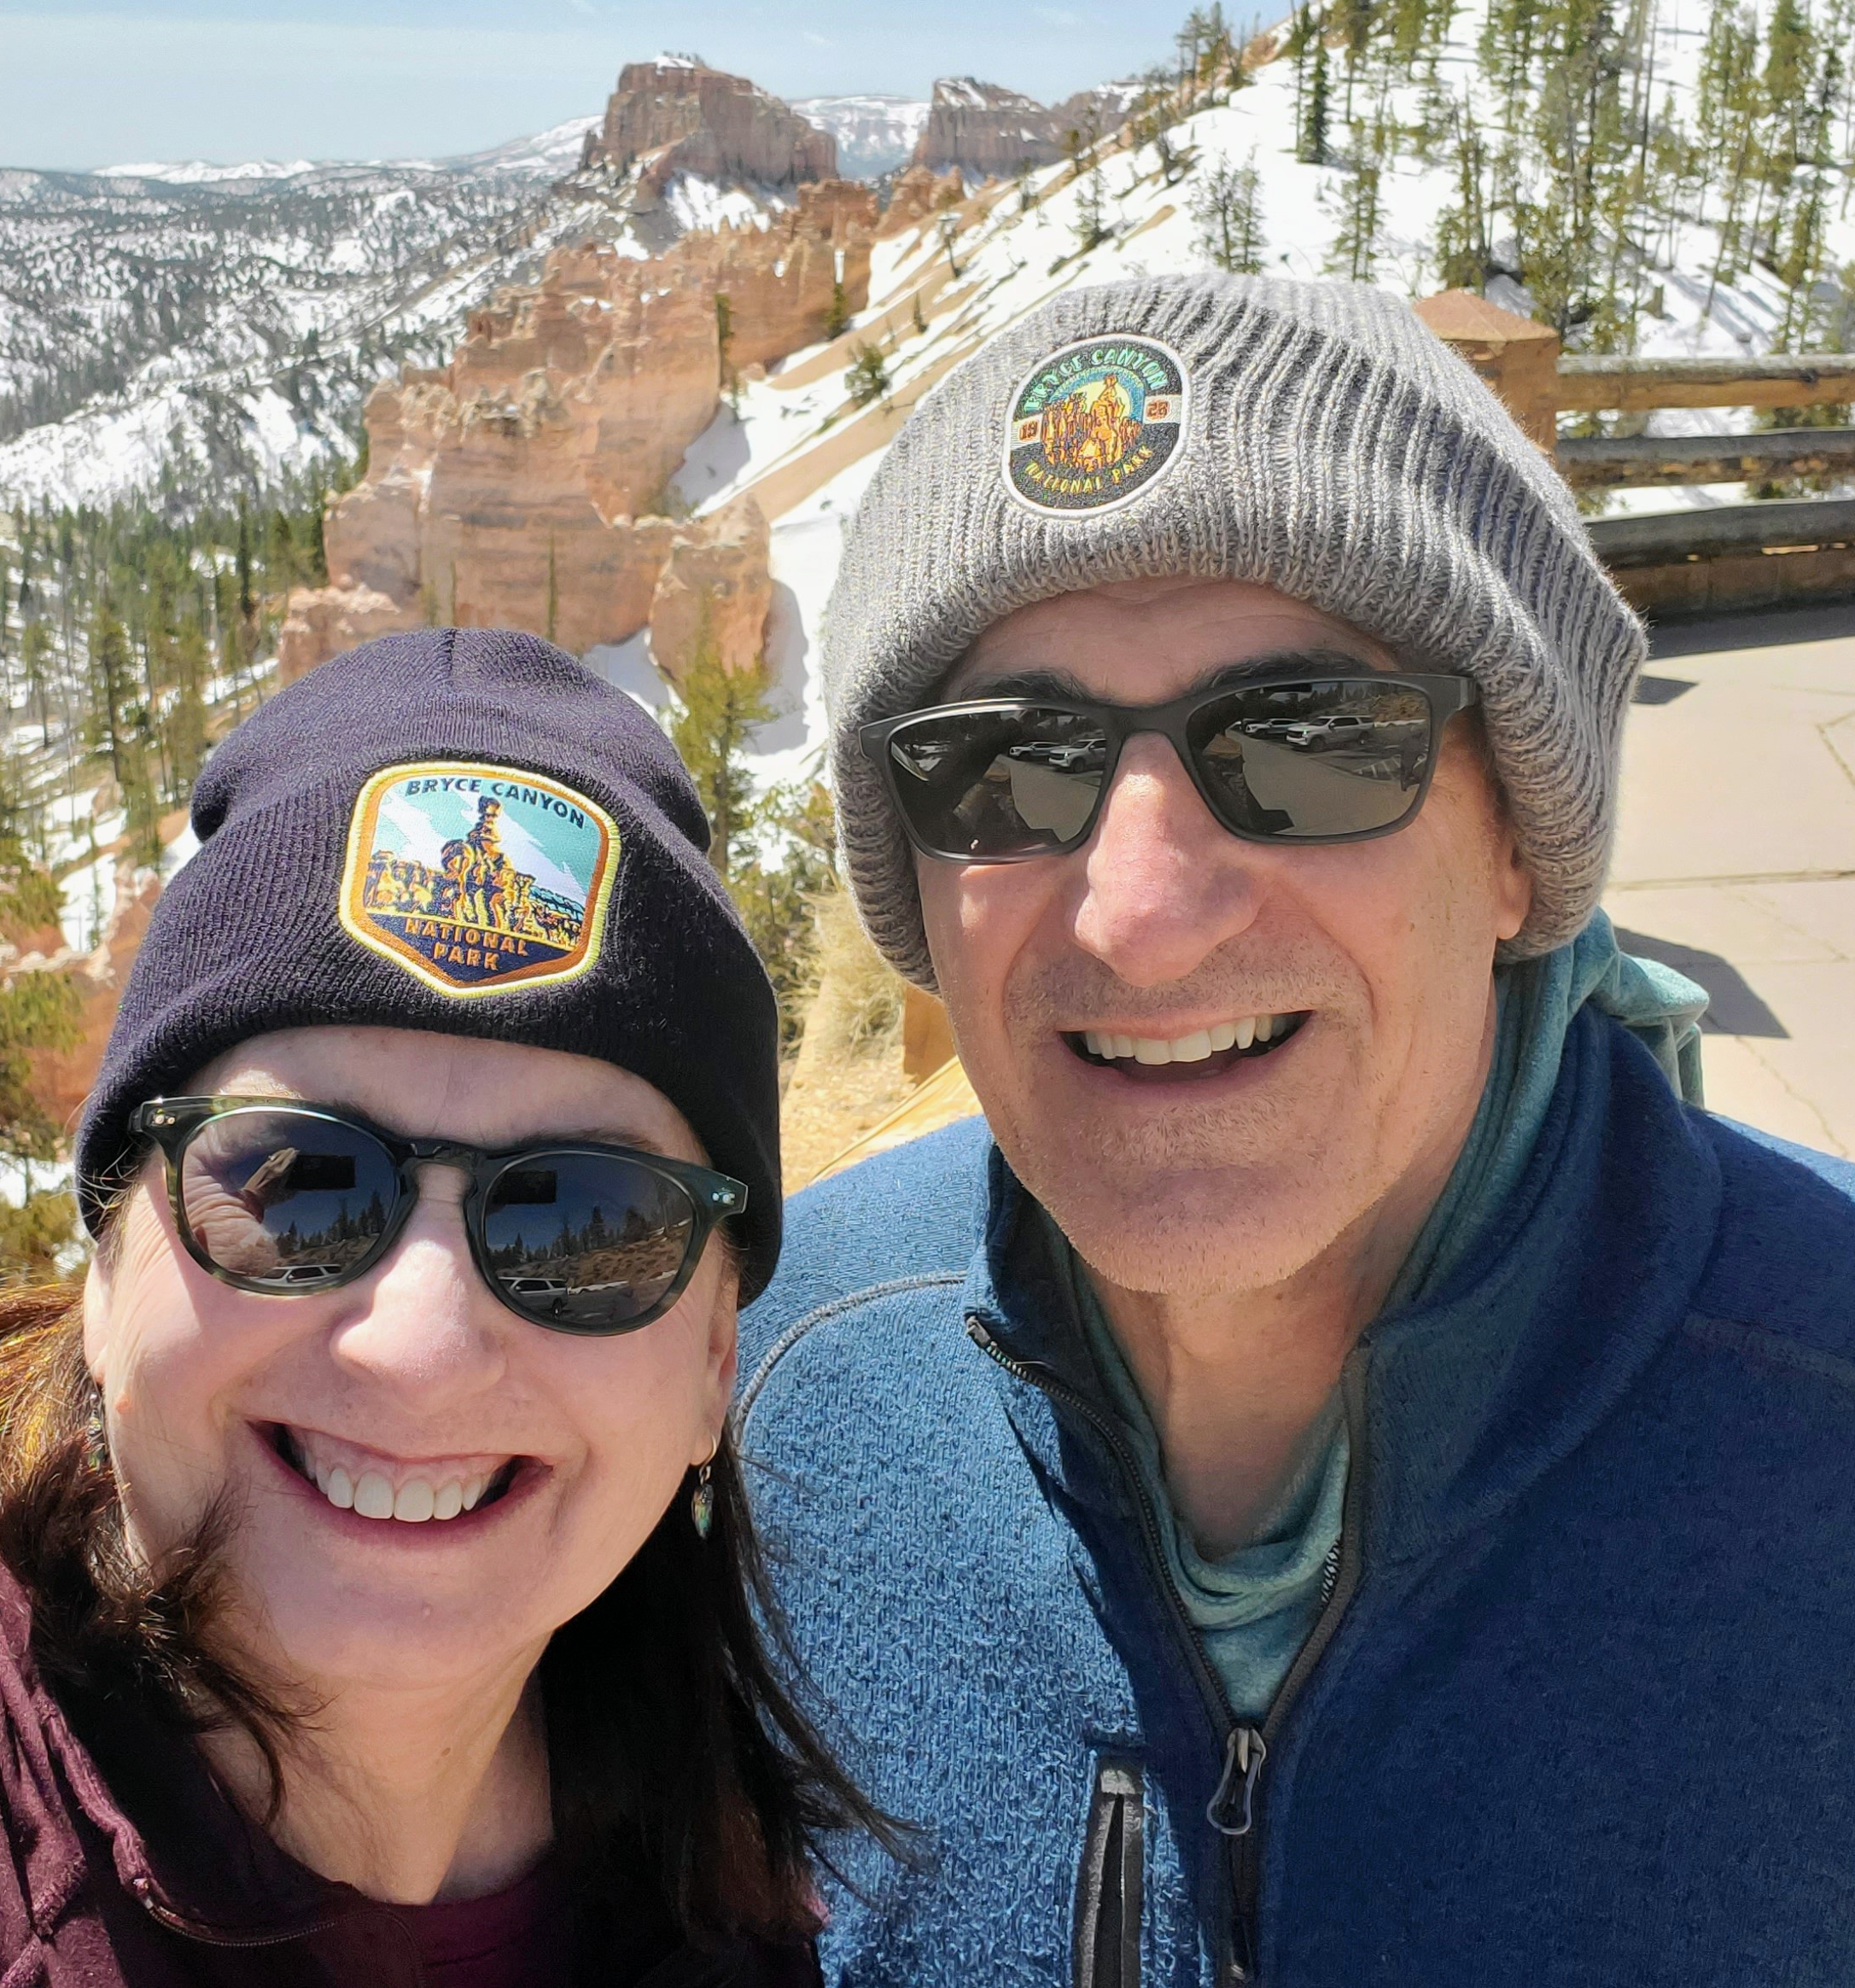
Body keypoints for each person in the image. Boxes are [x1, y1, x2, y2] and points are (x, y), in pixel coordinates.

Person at [738, 275, 1855, 1985]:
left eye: (1308, 743)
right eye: (1006, 768)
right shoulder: (777, 1389)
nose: (1141, 916)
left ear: (1517, 845)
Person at [0, 629, 884, 1986]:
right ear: (107, 1256)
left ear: (714, 1357)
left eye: (579, 1223)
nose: (420, 1346)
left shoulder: (735, 1918)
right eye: (299, 1185)